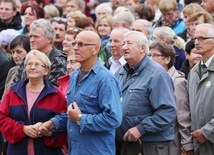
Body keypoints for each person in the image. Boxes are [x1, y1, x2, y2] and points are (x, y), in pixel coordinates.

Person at [39, 31, 123, 155]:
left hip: (96, 151)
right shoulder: (75, 75)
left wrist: (80, 118)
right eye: (75, 43)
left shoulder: (106, 80)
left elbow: (114, 119)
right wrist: (53, 123)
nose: (75, 48)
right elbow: (71, 112)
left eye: (81, 44)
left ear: (95, 49)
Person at [114, 31, 176, 155]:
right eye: (123, 43)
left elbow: (167, 112)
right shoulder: (120, 72)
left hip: (149, 145)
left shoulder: (157, 74)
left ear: (143, 48)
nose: (124, 47)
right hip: (125, 144)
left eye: (129, 43)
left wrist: (140, 129)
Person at [0, 50, 67, 155]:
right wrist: (23, 129)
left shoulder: (56, 94)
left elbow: (65, 121)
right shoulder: (13, 92)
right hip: (17, 150)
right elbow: (2, 118)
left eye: (37, 64)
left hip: (47, 151)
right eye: (29, 64)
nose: (32, 67)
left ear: (46, 70)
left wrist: (50, 132)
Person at [149, 42, 193, 155]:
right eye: (149, 55)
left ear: (167, 59)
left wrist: (187, 144)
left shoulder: (177, 81)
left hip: (172, 143)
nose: (150, 59)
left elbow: (183, 115)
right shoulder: (152, 77)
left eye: (155, 55)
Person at [13, 19, 67, 86]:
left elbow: (53, 91)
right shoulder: (27, 57)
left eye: (36, 37)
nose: (32, 40)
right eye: (30, 36)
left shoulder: (58, 61)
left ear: (49, 39)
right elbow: (14, 86)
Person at [188, 23, 214, 155]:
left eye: (202, 38)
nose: (197, 42)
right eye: (195, 39)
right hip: (198, 143)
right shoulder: (193, 72)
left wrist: (207, 132)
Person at [2, 35, 30, 100]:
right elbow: (5, 95)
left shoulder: (32, 71)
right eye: (13, 52)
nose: (15, 56)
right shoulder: (12, 71)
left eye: (19, 52)